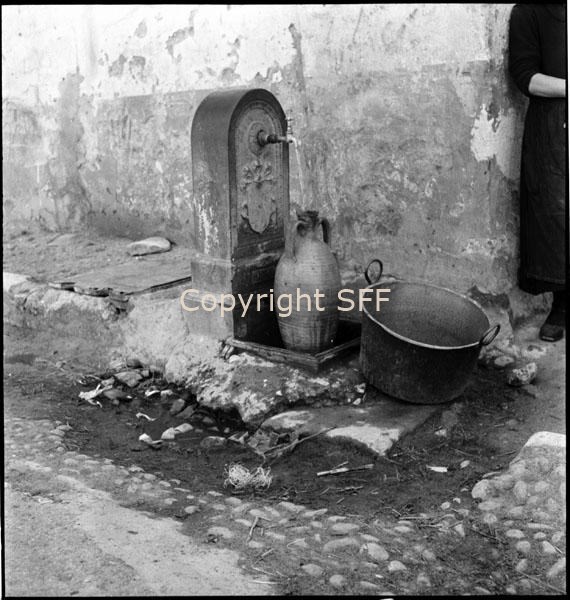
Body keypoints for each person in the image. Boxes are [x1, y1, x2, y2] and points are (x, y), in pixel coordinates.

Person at [508, 4, 567, 341]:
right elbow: (525, 76)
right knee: (557, 217)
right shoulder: (528, 11)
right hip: (553, 126)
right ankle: (563, 303)